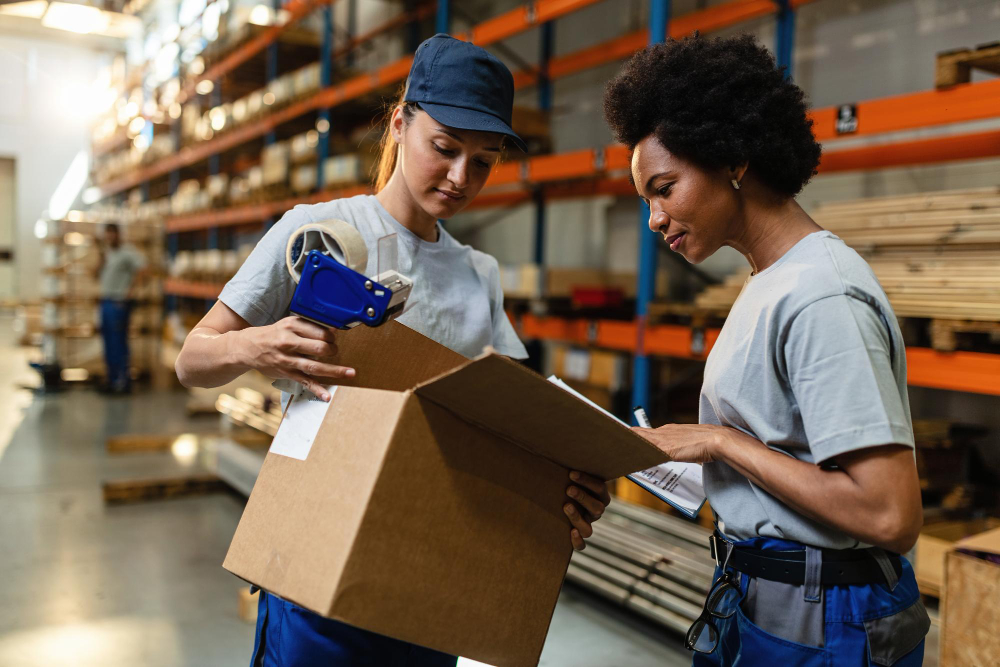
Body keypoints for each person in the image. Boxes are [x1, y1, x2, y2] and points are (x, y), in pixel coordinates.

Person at [174, 34, 611, 667]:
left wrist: (563, 492)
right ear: (401, 123)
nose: (462, 177)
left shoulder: (477, 274)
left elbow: (511, 424)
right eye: (445, 148)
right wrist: (261, 343)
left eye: (483, 161)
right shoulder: (315, 232)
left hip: (430, 562)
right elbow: (194, 359)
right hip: (315, 557)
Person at [603, 35, 929, 666]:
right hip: (762, 593)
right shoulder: (769, 279)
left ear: (732, 160)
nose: (654, 218)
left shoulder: (820, 295)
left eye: (664, 188)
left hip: (826, 616)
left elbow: (890, 514)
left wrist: (720, 443)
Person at [95, 222, 147, 394]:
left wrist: (130, 292)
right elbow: (95, 274)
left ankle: (122, 381)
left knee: (118, 342)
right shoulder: (107, 253)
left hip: (119, 302)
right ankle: (111, 378)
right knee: (108, 341)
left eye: (112, 233)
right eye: (107, 234)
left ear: (118, 234)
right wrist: (100, 259)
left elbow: (143, 270)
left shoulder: (128, 252)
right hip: (106, 300)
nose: (110, 237)